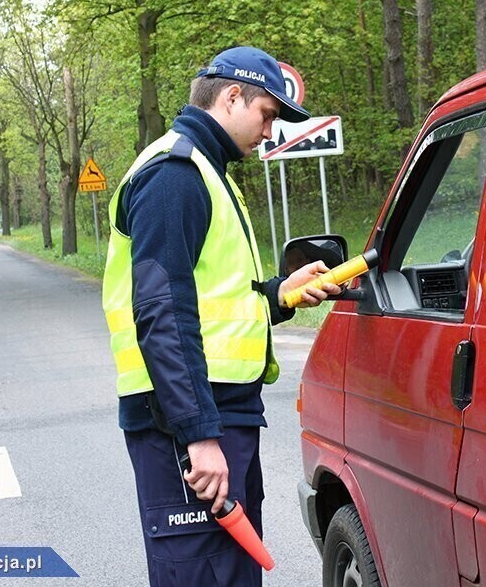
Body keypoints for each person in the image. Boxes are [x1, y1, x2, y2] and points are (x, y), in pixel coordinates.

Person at [101, 46, 340, 586]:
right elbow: (163, 312)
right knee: (202, 574)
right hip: (185, 425)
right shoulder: (175, 175)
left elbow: (214, 301)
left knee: (229, 572)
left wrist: (280, 295)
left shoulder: (207, 172)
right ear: (233, 96)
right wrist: (197, 435)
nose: (269, 131)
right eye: (268, 115)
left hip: (219, 413)